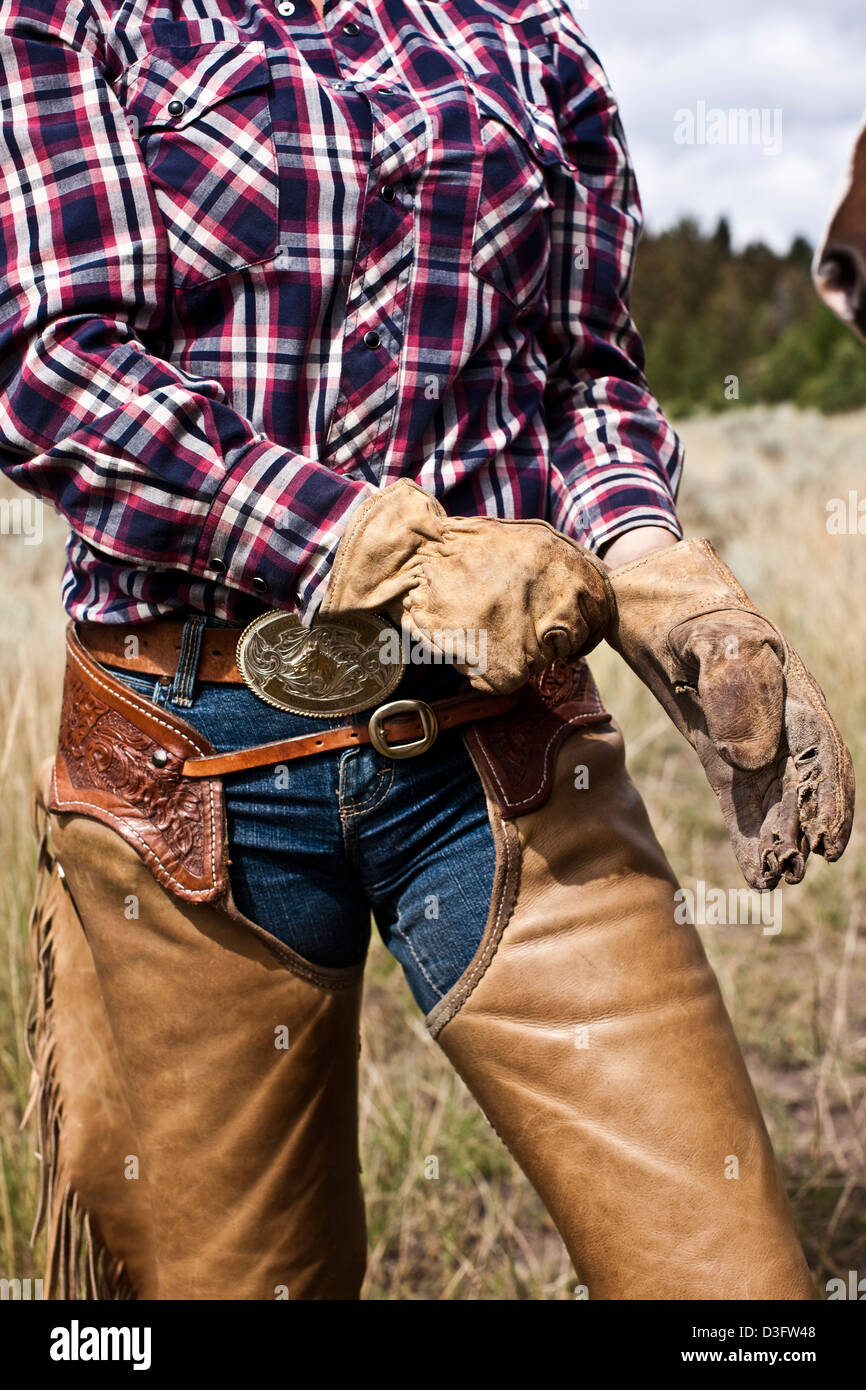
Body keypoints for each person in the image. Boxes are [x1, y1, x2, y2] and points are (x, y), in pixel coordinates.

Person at [1, 0, 853, 1300]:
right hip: (189, 776)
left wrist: (649, 565)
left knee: (737, 1299)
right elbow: (55, 369)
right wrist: (377, 558)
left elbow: (581, 376)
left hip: (498, 742)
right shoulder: (81, 14)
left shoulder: (527, 29)